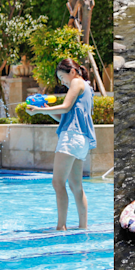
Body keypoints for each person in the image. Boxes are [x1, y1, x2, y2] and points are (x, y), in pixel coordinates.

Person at [26, 58, 96, 231]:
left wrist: (39, 110)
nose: (63, 82)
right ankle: (83, 227)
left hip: (71, 138)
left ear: (72, 72)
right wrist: (46, 107)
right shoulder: (87, 87)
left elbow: (64, 107)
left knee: (58, 183)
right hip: (82, 141)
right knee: (76, 186)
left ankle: (61, 227)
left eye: (62, 77)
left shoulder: (76, 83)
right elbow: (65, 115)